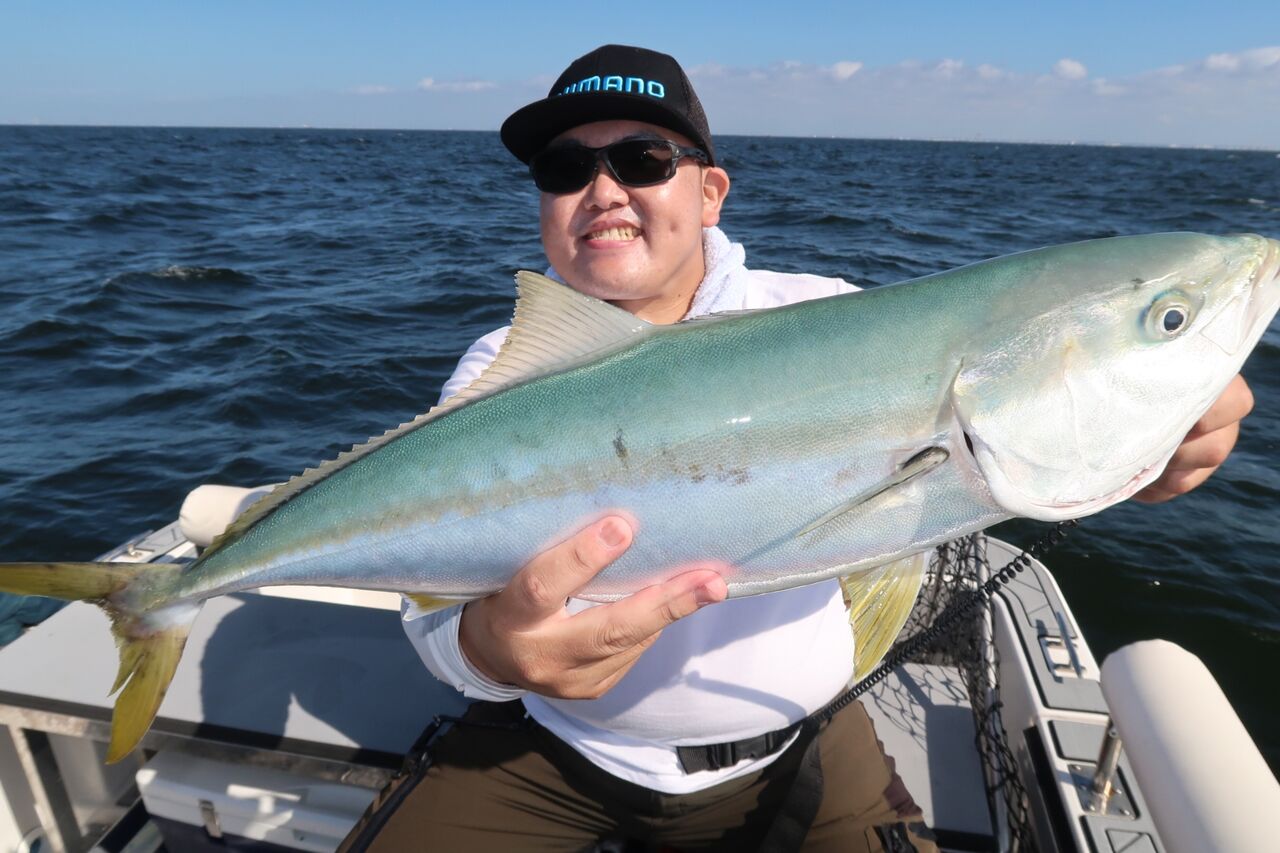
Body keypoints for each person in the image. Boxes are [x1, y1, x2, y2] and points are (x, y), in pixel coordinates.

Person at [340, 45, 1255, 852]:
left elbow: (1027, 439)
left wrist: (1152, 446)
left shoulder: (826, 314)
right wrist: (489, 653)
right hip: (556, 748)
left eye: (643, 159)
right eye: (564, 166)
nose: (603, 189)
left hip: (800, 748)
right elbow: (432, 612)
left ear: (710, 192)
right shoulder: (502, 370)